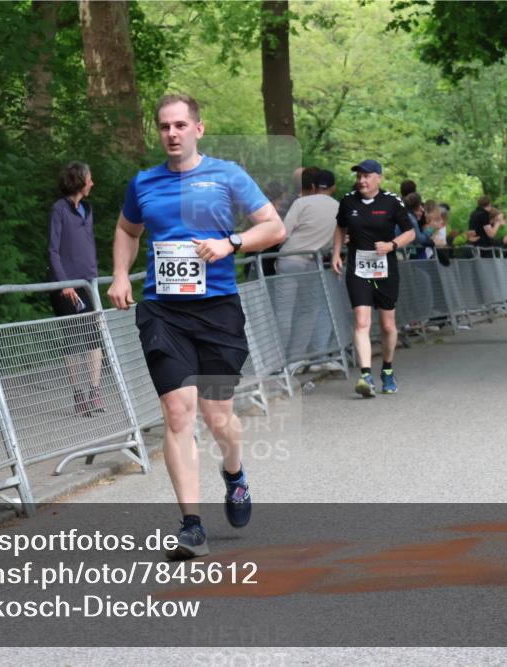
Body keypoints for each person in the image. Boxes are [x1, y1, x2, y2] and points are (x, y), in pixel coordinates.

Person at [108, 94, 286, 560]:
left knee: (217, 417)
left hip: (218, 310)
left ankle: (234, 473)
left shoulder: (227, 175)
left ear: (198, 129)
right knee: (177, 412)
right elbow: (128, 230)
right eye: (165, 126)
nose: (172, 133)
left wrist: (232, 242)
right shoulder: (144, 183)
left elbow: (274, 227)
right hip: (164, 312)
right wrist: (122, 275)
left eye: (180, 125)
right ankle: (191, 525)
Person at [331, 159, 415, 397]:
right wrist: (336, 253)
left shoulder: (392, 201)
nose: (362, 180)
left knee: (388, 325)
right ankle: (365, 375)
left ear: (379, 177)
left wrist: (392, 245)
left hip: (385, 267)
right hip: (358, 268)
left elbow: (410, 232)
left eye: (367, 176)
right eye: (359, 176)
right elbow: (340, 227)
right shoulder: (348, 201)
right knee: (361, 321)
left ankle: (387, 370)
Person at [48, 161, 105, 417]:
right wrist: (64, 283)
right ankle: (78, 395)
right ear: (81, 181)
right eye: (90, 178)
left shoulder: (87, 208)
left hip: (87, 283)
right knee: (73, 341)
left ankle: (95, 391)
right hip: (65, 286)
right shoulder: (59, 209)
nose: (92, 183)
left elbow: (88, 244)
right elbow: (53, 249)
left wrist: (93, 278)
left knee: (94, 338)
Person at [275, 168, 339, 360]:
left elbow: (282, 233)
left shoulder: (301, 202)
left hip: (289, 258)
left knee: (283, 311)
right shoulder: (339, 207)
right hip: (313, 262)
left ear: (313, 186)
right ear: (333, 187)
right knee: (309, 310)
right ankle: (296, 357)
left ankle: (278, 359)